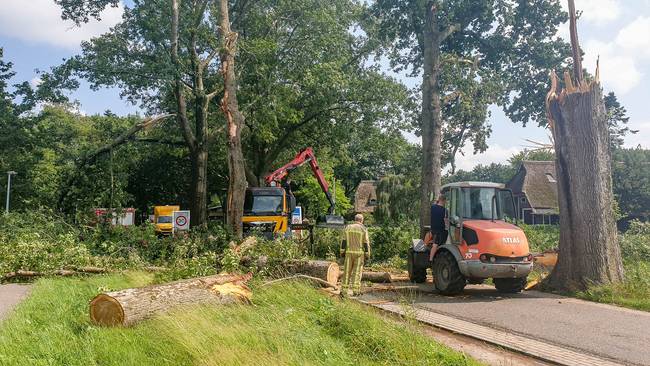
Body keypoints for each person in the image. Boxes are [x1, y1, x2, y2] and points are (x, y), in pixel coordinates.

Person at [340, 214, 370, 297]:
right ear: (361, 220)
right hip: (359, 254)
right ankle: (355, 291)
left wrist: (342, 252)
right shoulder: (363, 229)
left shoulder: (348, 227)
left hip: (349, 253)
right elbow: (366, 243)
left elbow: (343, 241)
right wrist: (367, 254)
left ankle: (343, 291)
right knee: (357, 272)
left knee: (347, 272)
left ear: (355, 219)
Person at [429, 194, 448, 261]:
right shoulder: (444, 210)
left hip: (433, 229)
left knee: (435, 244)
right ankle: (431, 259)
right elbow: (445, 220)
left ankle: (433, 258)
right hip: (440, 230)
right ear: (444, 201)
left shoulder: (433, 207)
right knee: (435, 245)